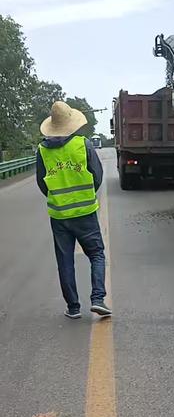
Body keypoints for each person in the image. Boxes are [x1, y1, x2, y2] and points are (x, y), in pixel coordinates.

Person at [36, 101, 112, 319]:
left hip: (59, 216)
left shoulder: (42, 151)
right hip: (86, 213)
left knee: (65, 260)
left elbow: (42, 183)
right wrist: (85, 195)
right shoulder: (83, 144)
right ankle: (98, 299)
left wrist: (59, 198)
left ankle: (73, 308)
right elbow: (97, 176)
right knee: (96, 254)